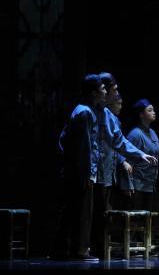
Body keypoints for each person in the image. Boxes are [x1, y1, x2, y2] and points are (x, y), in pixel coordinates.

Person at [92, 72, 157, 258]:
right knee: (93, 212)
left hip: (105, 174)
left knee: (102, 212)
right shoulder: (87, 111)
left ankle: (97, 248)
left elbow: (118, 141)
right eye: (112, 90)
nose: (115, 94)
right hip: (94, 172)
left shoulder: (108, 116)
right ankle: (84, 248)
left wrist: (140, 155)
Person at [52, 74, 106, 261]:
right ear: (93, 92)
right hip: (80, 172)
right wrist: (87, 173)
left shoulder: (83, 110)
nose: (105, 91)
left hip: (75, 170)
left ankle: (63, 250)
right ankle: (80, 250)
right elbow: (84, 147)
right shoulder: (85, 112)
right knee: (82, 212)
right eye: (102, 88)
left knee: (72, 210)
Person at [119, 99, 159, 211]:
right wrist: (127, 184)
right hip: (137, 185)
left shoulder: (152, 132)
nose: (153, 112)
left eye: (153, 110)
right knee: (136, 217)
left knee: (147, 216)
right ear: (141, 114)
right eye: (150, 110)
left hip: (150, 184)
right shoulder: (135, 134)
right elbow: (125, 160)